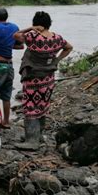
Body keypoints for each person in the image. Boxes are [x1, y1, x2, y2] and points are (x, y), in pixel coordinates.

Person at [13, 11, 73, 150]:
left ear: (36, 23)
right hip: (48, 79)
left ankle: (32, 141)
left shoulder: (33, 36)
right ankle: (38, 136)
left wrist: (30, 28)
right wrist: (56, 59)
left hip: (33, 79)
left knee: (30, 108)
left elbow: (16, 35)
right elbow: (69, 47)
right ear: (49, 23)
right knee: (42, 106)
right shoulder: (57, 37)